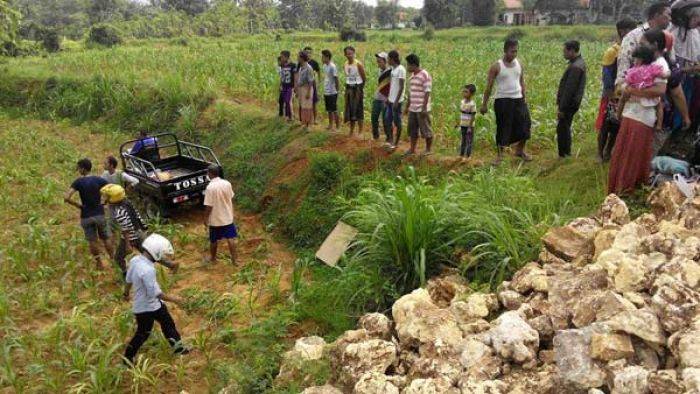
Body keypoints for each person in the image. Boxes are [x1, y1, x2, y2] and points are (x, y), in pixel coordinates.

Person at [608, 28, 670, 195]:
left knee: (631, 156)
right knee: (626, 154)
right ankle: (620, 190)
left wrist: (631, 92)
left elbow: (660, 92)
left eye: (643, 43)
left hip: (641, 117)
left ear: (654, 45)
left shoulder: (659, 65)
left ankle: (626, 191)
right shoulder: (648, 64)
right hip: (633, 115)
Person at [123, 234, 188, 365]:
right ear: (156, 252)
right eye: (162, 254)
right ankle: (127, 358)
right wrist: (176, 299)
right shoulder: (148, 270)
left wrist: (125, 294)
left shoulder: (135, 260)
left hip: (144, 305)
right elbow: (156, 293)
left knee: (165, 325)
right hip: (149, 307)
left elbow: (128, 280)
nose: (163, 257)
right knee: (146, 332)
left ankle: (179, 349)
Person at [100, 184, 178, 278]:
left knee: (118, 258)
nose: (104, 198)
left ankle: (126, 276)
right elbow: (138, 216)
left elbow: (125, 229)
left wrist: (128, 244)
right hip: (139, 232)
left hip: (130, 237)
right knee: (150, 253)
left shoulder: (119, 211)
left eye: (107, 196)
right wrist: (144, 229)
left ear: (113, 198)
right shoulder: (128, 203)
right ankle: (171, 265)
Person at [480, 38, 532, 164]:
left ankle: (520, 150)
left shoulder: (519, 64)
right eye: (511, 51)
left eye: (516, 51)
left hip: (518, 99)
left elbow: (521, 81)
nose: (514, 54)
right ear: (505, 50)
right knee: (503, 127)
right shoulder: (497, 66)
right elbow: (489, 87)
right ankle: (500, 156)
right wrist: (484, 104)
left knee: (526, 125)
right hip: (503, 101)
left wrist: (524, 97)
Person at [596, 18, 637, 162]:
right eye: (632, 30)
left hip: (624, 94)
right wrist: (610, 95)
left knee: (617, 125)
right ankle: (600, 154)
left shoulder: (632, 49)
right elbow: (607, 75)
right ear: (623, 31)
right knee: (605, 125)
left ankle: (608, 151)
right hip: (612, 94)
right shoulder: (612, 51)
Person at [64, 158, 114, 270]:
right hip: (99, 214)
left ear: (82, 169)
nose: (78, 171)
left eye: (79, 168)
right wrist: (105, 201)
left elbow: (66, 197)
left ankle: (99, 263)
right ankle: (112, 259)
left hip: (86, 216)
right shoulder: (98, 180)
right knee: (106, 238)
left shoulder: (78, 182)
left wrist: (78, 206)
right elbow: (112, 190)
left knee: (92, 241)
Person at [616, 2, 672, 88]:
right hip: (637, 90)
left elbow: (671, 64)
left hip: (663, 89)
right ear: (656, 15)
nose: (670, 19)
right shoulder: (633, 36)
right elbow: (623, 68)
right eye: (668, 14)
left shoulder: (667, 36)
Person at [616, 45, 667, 130]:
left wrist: (626, 86)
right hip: (649, 92)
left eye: (635, 59)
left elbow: (627, 81)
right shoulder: (653, 68)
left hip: (635, 91)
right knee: (659, 104)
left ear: (641, 59)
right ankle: (659, 125)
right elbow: (661, 74)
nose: (634, 61)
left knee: (622, 99)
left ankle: (618, 115)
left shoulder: (633, 71)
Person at [670, 2, 700, 126]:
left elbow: (696, 54)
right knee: (672, 106)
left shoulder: (694, 33)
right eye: (694, 17)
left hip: (689, 78)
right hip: (675, 78)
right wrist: (686, 69)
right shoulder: (673, 32)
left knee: (685, 103)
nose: (697, 20)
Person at [556, 40, 587, 158]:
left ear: (572, 51)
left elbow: (569, 91)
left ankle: (564, 154)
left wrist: (562, 108)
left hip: (568, 104)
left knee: (562, 128)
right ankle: (565, 154)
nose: (563, 54)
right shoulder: (579, 63)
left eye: (565, 51)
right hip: (572, 103)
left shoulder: (575, 67)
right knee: (564, 127)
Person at [203, 165, 237, 265]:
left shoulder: (210, 188)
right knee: (230, 238)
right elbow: (230, 197)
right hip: (227, 217)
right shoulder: (227, 183)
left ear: (210, 174)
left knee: (213, 240)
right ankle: (234, 260)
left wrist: (205, 218)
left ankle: (213, 259)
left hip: (215, 219)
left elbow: (209, 206)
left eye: (208, 173)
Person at [403, 53, 433, 156]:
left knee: (426, 129)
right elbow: (411, 93)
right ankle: (412, 149)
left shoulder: (425, 74)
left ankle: (428, 150)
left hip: (421, 108)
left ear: (413, 65)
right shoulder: (412, 77)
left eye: (408, 65)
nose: (407, 67)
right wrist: (407, 107)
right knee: (412, 130)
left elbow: (427, 91)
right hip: (413, 108)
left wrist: (424, 108)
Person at [343, 46, 366, 136]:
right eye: (347, 53)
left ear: (354, 53)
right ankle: (351, 130)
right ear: (345, 54)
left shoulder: (358, 64)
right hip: (349, 88)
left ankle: (360, 130)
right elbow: (347, 77)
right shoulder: (345, 64)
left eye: (351, 53)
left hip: (357, 88)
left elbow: (364, 78)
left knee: (359, 109)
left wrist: (360, 89)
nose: (349, 55)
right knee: (350, 109)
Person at [386, 50, 406, 150]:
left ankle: (396, 142)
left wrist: (396, 101)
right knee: (388, 120)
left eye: (388, 58)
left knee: (397, 122)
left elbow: (401, 87)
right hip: (390, 100)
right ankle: (391, 141)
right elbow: (392, 85)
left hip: (396, 101)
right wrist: (388, 98)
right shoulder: (393, 69)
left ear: (393, 59)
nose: (387, 60)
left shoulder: (401, 69)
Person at [371, 52, 392, 142]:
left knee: (385, 120)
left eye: (379, 62)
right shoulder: (379, 71)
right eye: (377, 62)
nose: (378, 64)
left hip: (385, 99)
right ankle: (376, 136)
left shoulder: (391, 72)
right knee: (374, 117)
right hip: (377, 97)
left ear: (385, 61)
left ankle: (389, 138)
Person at [322, 49, 340, 131]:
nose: (322, 58)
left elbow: (336, 78)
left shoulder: (333, 66)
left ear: (327, 57)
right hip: (326, 90)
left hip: (332, 91)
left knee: (334, 109)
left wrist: (337, 89)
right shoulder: (324, 66)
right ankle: (330, 125)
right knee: (329, 110)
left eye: (323, 57)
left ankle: (337, 126)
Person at [457, 84, 477, 159]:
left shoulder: (472, 104)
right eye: (464, 91)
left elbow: (473, 115)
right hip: (463, 124)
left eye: (466, 92)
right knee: (463, 140)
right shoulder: (462, 102)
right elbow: (461, 114)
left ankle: (468, 156)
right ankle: (461, 155)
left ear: (471, 94)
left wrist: (469, 126)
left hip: (469, 126)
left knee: (469, 141)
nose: (464, 93)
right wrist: (459, 123)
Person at [296, 51, 315, 128]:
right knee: (303, 106)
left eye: (298, 57)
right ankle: (304, 122)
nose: (297, 58)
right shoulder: (301, 68)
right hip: (301, 88)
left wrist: (308, 92)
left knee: (307, 106)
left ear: (302, 58)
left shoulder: (308, 68)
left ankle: (308, 124)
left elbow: (311, 81)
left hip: (307, 88)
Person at [304, 47, 321, 124]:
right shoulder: (301, 62)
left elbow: (319, 72)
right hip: (304, 85)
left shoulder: (314, 63)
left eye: (309, 52)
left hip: (312, 84)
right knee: (305, 103)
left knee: (314, 103)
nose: (308, 54)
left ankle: (315, 119)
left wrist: (319, 81)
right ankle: (307, 119)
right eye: (306, 52)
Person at [279, 50, 296, 121]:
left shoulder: (293, 65)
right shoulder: (282, 65)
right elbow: (282, 76)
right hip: (284, 85)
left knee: (288, 101)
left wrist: (295, 87)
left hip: (290, 86)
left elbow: (295, 77)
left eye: (282, 57)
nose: (281, 58)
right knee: (283, 100)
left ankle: (290, 116)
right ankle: (287, 116)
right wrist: (280, 84)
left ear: (286, 57)